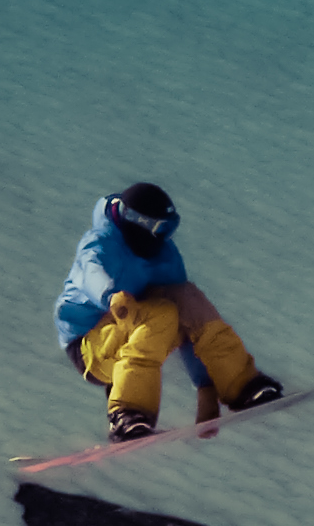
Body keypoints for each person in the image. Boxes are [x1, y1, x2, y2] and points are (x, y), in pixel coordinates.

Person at [55, 183, 282, 442]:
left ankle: (242, 385)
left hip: (136, 327)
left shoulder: (165, 255)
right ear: (137, 222)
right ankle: (127, 414)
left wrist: (205, 387)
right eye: (157, 227)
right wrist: (110, 296)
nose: (162, 235)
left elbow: (190, 324)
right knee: (158, 314)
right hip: (88, 345)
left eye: (167, 228)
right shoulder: (101, 241)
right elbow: (91, 272)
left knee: (187, 298)